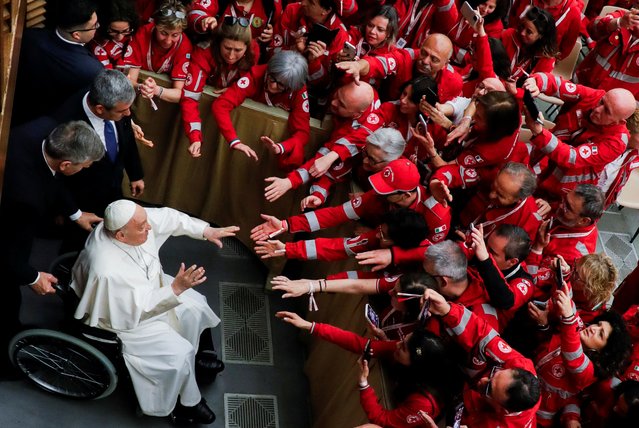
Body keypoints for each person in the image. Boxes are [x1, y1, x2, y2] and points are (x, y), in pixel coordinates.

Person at [71, 200, 240, 422]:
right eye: (142, 227)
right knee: (179, 355)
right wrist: (176, 289)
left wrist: (205, 230)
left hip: (155, 289)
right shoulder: (107, 270)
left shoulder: (134, 221)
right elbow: (133, 311)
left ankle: (198, 358)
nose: (149, 228)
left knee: (196, 305)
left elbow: (168, 216)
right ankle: (186, 405)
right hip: (127, 323)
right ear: (121, 236)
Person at [0, 121, 105, 376]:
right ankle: (5, 363)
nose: (86, 169)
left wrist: (76, 214)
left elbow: (53, 180)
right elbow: (5, 252)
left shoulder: (43, 132)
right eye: (84, 166)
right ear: (67, 164)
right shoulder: (27, 198)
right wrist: (33, 277)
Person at [275, 312, 456, 424]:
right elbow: (358, 343)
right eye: (403, 339)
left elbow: (382, 420)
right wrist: (310, 326)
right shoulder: (404, 349)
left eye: (403, 347)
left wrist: (363, 384)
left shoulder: (423, 403)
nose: (397, 344)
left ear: (418, 365)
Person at [422, 288, 541, 427]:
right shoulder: (520, 364)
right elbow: (483, 335)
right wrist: (447, 310)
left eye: (489, 388)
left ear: (503, 409)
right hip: (465, 396)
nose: (484, 380)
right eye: (495, 374)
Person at [261, 81, 378, 203]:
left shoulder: (347, 136)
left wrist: (290, 182)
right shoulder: (364, 89)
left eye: (342, 105)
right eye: (338, 94)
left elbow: (320, 164)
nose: (334, 102)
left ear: (356, 114)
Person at [523, 74, 636, 199]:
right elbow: (564, 86)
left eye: (607, 111)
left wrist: (539, 133)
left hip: (563, 186)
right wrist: (536, 81)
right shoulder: (596, 96)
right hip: (543, 155)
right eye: (602, 102)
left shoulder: (616, 143)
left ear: (619, 122)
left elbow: (572, 157)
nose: (597, 109)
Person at [530, 290, 631, 426]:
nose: (594, 328)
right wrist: (564, 275)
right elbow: (570, 307)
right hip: (524, 383)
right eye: (598, 324)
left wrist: (568, 318)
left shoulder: (588, 372)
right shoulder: (578, 332)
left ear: (603, 352)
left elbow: (573, 356)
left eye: (600, 334)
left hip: (536, 417)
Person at [12, 0, 103, 126]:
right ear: (76, 35)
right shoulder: (90, 70)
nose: (97, 28)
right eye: (95, 25)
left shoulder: (29, 37)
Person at [211, 50, 309, 166]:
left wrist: (281, 147)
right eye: (272, 77)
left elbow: (302, 133)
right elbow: (221, 105)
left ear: (292, 87)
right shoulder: (257, 74)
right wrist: (234, 141)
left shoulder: (298, 90)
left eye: (281, 85)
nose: (273, 85)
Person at [180, 20, 259, 157]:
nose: (231, 55)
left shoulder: (254, 52)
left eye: (238, 50)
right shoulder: (203, 53)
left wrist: (236, 89)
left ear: (247, 47)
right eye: (227, 48)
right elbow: (189, 98)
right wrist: (195, 137)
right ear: (218, 43)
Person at [337, 33, 464, 103]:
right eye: (424, 53)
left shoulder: (454, 82)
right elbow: (379, 63)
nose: (425, 61)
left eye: (434, 59)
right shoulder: (407, 57)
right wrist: (358, 66)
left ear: (446, 64)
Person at [527, 184, 604, 293]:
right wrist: (545, 205)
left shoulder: (573, 258)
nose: (560, 206)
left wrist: (537, 248)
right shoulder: (571, 213)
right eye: (564, 199)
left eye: (568, 207)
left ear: (584, 221)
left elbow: (532, 280)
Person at [126, 0, 192, 103]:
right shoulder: (142, 35)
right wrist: (141, 87)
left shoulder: (184, 45)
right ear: (155, 25)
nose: (168, 41)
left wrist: (156, 90)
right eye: (163, 33)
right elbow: (129, 80)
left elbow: (180, 94)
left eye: (175, 35)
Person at [576, 8, 639, 99]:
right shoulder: (622, 16)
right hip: (582, 87)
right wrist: (618, 22)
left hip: (612, 106)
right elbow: (591, 29)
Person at [509, 0, 582, 60]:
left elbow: (564, 50)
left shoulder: (573, 14)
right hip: (510, 48)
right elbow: (512, 18)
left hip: (538, 65)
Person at [501, 6, 557, 80]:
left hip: (519, 90)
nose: (522, 33)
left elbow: (534, 88)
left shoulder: (546, 58)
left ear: (541, 35)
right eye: (522, 26)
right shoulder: (508, 35)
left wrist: (516, 91)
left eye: (529, 32)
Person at [88, 0, 139, 70]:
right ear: (104, 26)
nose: (120, 37)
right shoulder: (97, 42)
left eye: (125, 31)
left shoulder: (135, 35)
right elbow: (107, 73)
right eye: (114, 31)